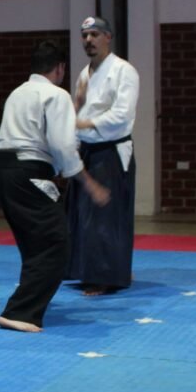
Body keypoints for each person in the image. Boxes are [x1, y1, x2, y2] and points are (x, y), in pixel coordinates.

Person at [0, 41, 110, 333]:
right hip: (29, 172)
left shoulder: (17, 92)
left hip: (1, 170)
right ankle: (21, 311)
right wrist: (88, 182)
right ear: (59, 68)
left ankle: (26, 304)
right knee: (55, 242)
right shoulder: (56, 95)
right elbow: (62, 144)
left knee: (34, 244)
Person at [67, 16, 140, 295]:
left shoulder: (124, 71)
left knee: (107, 218)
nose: (89, 41)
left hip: (111, 151)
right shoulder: (84, 74)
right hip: (87, 151)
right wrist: (72, 147)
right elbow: (76, 116)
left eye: (95, 34)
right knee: (84, 217)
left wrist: (89, 124)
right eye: (84, 35)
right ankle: (94, 270)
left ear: (108, 37)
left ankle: (109, 275)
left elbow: (122, 115)